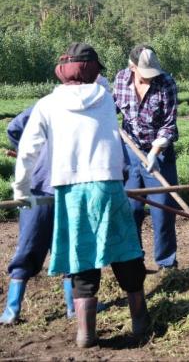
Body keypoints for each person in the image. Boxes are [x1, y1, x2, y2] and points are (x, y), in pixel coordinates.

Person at [12, 43, 148, 348]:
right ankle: (140, 320)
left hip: (70, 191)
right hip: (108, 186)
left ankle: (86, 333)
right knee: (125, 251)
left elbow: (29, 149)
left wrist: (21, 189)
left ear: (62, 73)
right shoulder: (105, 97)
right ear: (94, 72)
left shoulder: (48, 104)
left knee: (81, 256)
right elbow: (103, 82)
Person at [114, 44, 180, 270]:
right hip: (130, 154)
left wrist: (155, 151)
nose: (151, 78)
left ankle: (166, 264)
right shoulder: (121, 80)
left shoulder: (166, 83)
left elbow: (169, 125)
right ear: (132, 67)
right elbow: (112, 110)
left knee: (162, 210)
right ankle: (134, 262)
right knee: (131, 210)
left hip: (158, 154)